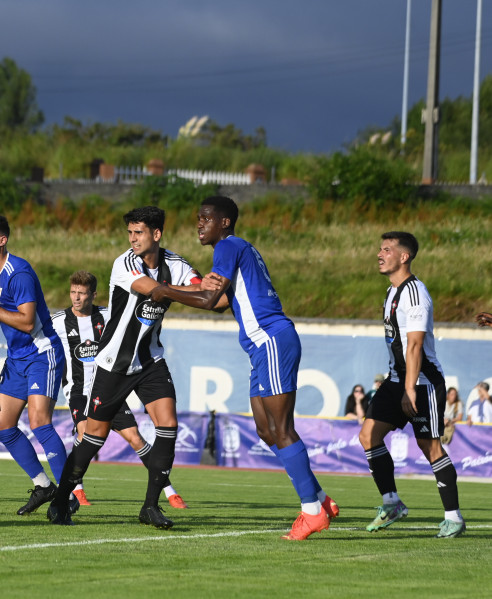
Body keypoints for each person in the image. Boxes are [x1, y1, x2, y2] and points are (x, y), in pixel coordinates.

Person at [144, 196, 338, 540]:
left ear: (224, 222)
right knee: (266, 430)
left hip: (272, 340)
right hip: (260, 347)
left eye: (206, 218)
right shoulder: (234, 250)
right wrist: (171, 290)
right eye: (197, 218)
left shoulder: (228, 246)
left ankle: (311, 511)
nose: (199, 224)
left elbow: (206, 299)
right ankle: (321, 500)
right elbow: (218, 303)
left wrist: (162, 291)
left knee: (282, 428)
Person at [47, 206, 210, 529]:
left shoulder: (175, 264)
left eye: (139, 233)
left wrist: (207, 290)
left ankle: (150, 506)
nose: (133, 239)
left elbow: (203, 292)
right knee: (94, 436)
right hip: (114, 363)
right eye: (130, 233)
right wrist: (200, 291)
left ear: (157, 234)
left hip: (150, 360)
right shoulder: (125, 264)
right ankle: (61, 499)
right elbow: (161, 291)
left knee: (168, 424)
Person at [357, 231, 465, 538]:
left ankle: (454, 518)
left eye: (387, 250)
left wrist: (409, 389)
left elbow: (415, 346)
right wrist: (399, 384)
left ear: (404, 257)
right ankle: (392, 503)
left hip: (422, 383)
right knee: (368, 436)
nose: (380, 254)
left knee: (429, 446)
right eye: (380, 248)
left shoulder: (415, 292)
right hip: (396, 380)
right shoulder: (392, 292)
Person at [50, 270, 188, 509]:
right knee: (84, 435)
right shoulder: (58, 321)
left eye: (82, 293)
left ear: (94, 295)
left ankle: (169, 491)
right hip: (80, 392)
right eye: (73, 292)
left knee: (136, 439)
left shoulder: (109, 315)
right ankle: (76, 492)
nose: (76, 298)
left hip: (111, 387)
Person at [0, 213, 69, 516]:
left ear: (2, 240)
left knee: (39, 422)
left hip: (41, 354)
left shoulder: (18, 272)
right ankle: (43, 485)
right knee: (5, 427)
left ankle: (64, 497)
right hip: (16, 359)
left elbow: (26, 322)